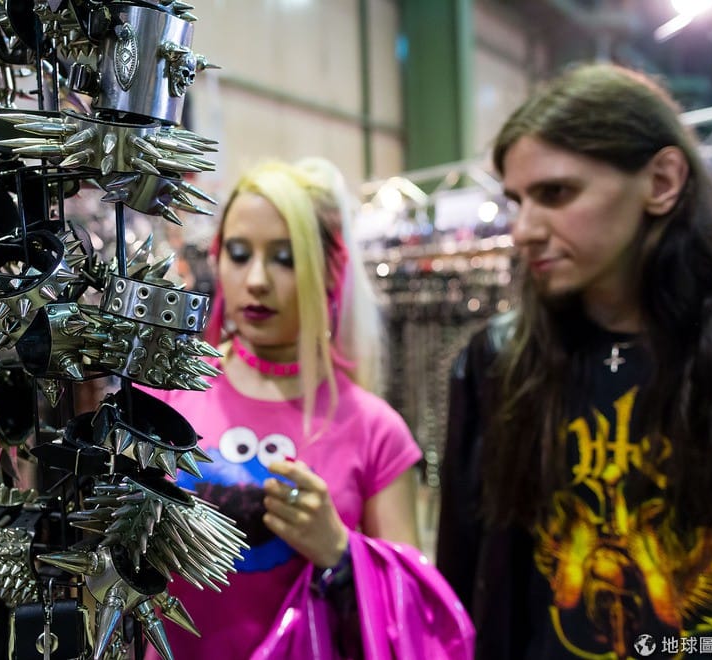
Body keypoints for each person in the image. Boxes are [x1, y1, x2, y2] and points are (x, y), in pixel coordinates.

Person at [436, 62, 712, 660]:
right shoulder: (499, 361)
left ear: (662, 182)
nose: (524, 229)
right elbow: (474, 575)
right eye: (517, 200)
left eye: (556, 194)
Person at [145, 158, 474, 659]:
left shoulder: (376, 431)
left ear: (328, 271)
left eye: (285, 258)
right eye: (239, 253)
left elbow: (409, 619)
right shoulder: (166, 392)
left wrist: (340, 552)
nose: (257, 279)